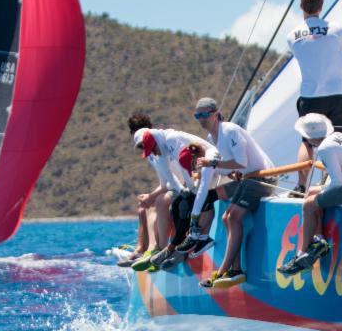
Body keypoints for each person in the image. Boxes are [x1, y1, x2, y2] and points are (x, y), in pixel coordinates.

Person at [185, 97, 276, 288]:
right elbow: (231, 167)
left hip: (261, 178)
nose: (201, 119)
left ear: (216, 114)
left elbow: (241, 162)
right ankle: (233, 268)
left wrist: (213, 164)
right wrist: (205, 171)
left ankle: (226, 270)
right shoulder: (212, 138)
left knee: (232, 217)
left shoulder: (230, 131)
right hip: (246, 179)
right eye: (197, 116)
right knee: (226, 216)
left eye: (204, 114)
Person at [278, 113, 342, 275]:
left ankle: (302, 255)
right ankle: (318, 239)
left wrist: (316, 199)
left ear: (310, 138)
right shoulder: (339, 136)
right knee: (312, 192)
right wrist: (318, 195)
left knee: (308, 204)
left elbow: (338, 182)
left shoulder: (325, 148)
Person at [287, 0, 342, 195]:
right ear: (321, 6)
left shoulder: (292, 36)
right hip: (336, 95)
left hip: (309, 96)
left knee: (307, 142)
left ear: (301, 6)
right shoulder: (336, 29)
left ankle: (301, 185)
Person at [131, 127, 215, 271]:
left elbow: (184, 165)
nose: (153, 153)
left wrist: (189, 190)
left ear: (156, 142)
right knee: (177, 205)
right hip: (196, 177)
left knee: (184, 205)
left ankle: (177, 249)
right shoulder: (161, 148)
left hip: (210, 168)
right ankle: (171, 248)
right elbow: (170, 178)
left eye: (153, 149)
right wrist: (183, 191)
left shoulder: (170, 139)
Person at [118, 113, 156, 267]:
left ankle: (153, 249)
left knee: (149, 207)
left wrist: (153, 196)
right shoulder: (150, 149)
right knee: (142, 209)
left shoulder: (157, 145)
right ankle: (141, 248)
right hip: (170, 188)